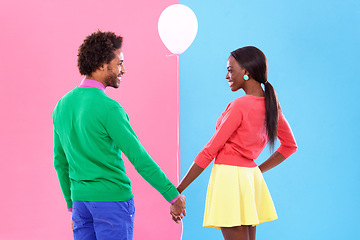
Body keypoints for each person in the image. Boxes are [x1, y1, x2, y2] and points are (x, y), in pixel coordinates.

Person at [52, 30, 186, 240]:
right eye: (119, 63)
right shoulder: (109, 108)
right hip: (112, 202)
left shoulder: (62, 106)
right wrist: (172, 196)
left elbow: (60, 162)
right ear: (102, 65)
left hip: (80, 203)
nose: (123, 69)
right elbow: (139, 158)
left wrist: (72, 205)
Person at [175, 46, 297, 240]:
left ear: (246, 72)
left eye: (230, 70)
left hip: (229, 179)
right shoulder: (271, 106)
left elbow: (209, 151)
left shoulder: (240, 106)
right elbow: (290, 146)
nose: (226, 76)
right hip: (249, 180)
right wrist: (257, 170)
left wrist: (177, 190)